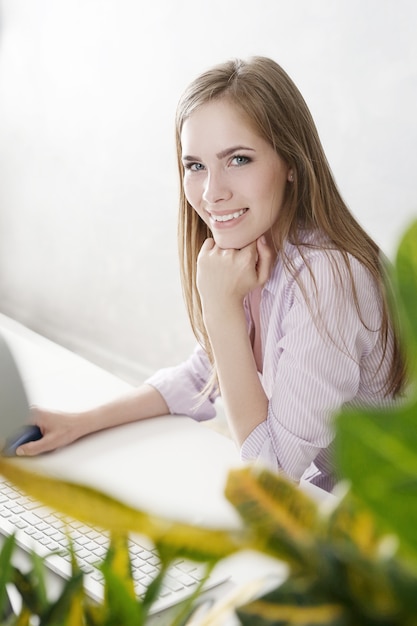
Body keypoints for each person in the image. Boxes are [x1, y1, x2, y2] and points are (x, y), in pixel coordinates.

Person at [16, 56, 406, 491]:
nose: (211, 193)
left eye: (238, 159)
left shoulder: (328, 278)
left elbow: (270, 473)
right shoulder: (256, 251)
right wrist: (78, 423)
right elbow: (204, 374)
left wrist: (220, 309)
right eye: (195, 166)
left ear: (292, 162)